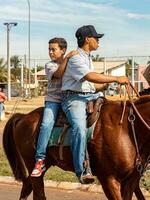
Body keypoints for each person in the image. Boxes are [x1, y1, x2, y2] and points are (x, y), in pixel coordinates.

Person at [61, 25, 130, 184]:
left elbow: (92, 84)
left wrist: (106, 86)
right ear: (87, 39)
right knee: (79, 128)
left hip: (91, 95)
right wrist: (115, 78)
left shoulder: (88, 57)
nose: (98, 41)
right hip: (74, 98)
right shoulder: (76, 57)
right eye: (96, 38)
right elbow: (90, 76)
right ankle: (82, 169)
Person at [31, 37, 77, 177]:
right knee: (46, 125)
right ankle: (40, 160)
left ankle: (82, 158)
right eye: (49, 50)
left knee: (79, 124)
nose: (50, 52)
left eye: (53, 49)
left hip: (69, 98)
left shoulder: (72, 64)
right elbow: (58, 75)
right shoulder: (49, 65)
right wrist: (67, 58)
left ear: (62, 50)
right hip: (53, 100)